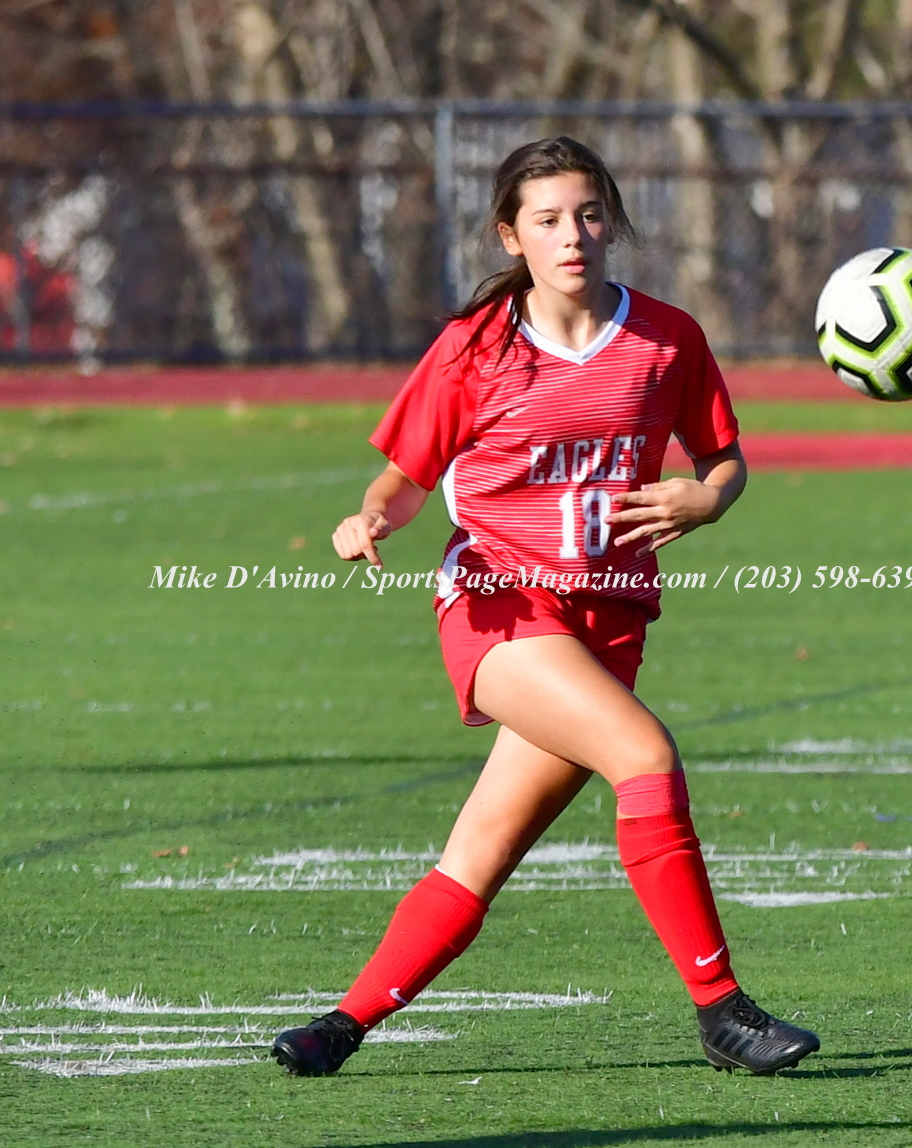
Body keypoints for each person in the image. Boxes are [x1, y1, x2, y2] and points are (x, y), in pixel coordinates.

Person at [271, 136, 819, 1078]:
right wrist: (368, 518)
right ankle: (722, 1011)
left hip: (609, 622)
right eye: (549, 219)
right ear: (510, 236)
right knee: (645, 757)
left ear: (612, 223)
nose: (573, 236)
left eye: (589, 214)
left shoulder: (666, 339)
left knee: (479, 854)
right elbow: (404, 480)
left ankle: (340, 1026)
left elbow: (722, 461)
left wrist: (708, 499)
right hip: (498, 606)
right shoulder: (474, 346)